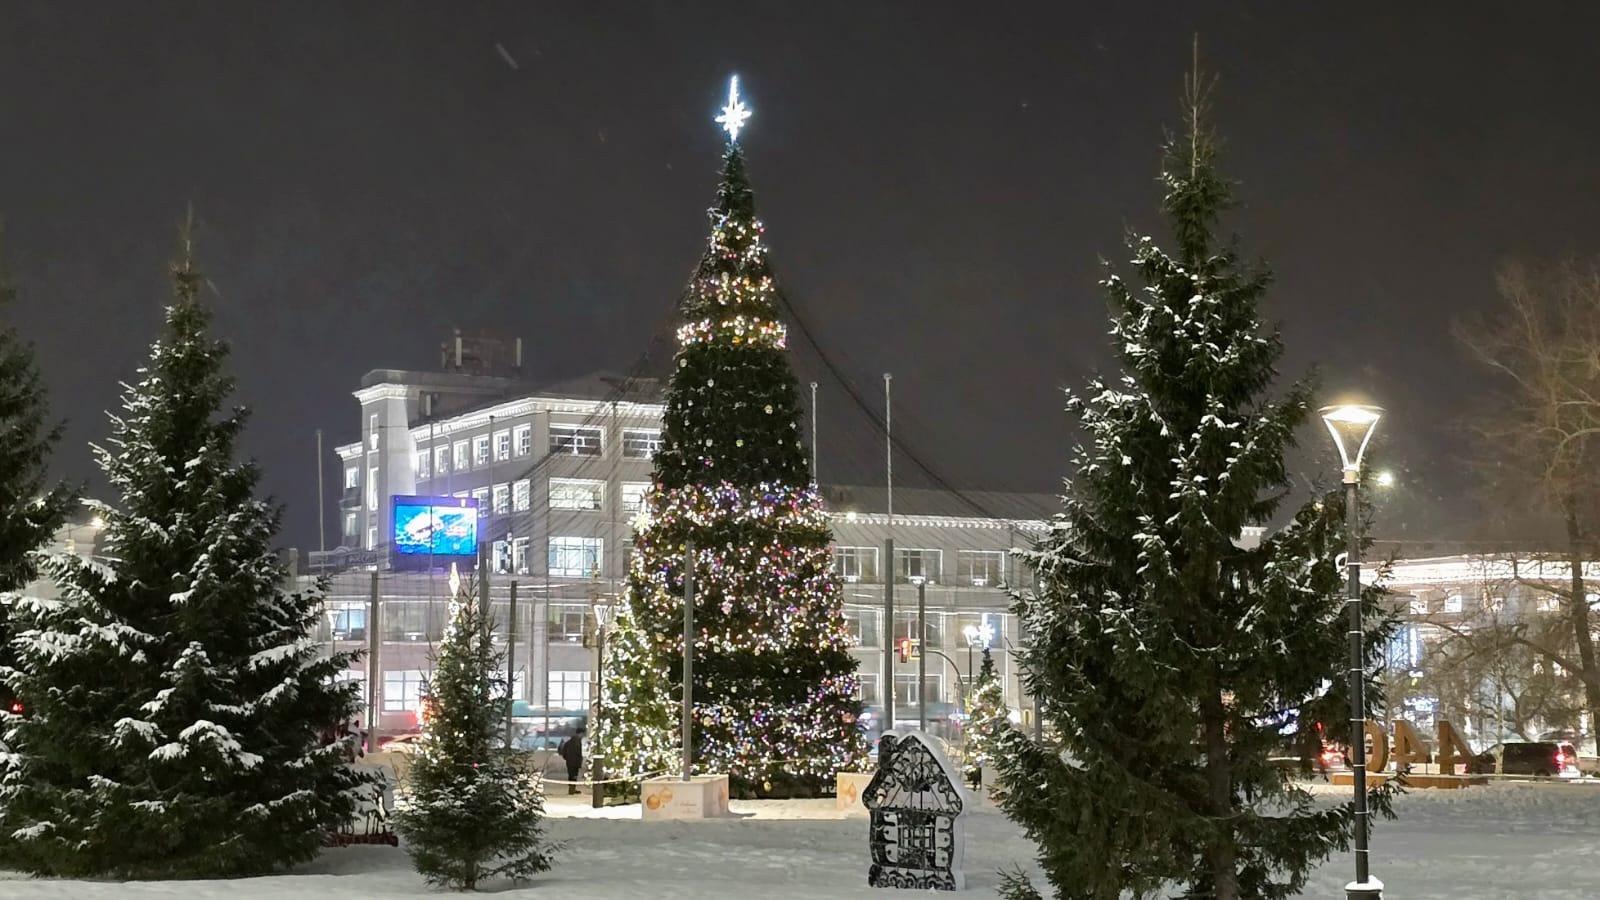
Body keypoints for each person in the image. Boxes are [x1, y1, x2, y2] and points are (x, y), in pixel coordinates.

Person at [558, 726, 585, 796]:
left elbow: (564, 750)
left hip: (570, 761)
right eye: (582, 734)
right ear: (580, 733)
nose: (583, 736)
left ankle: (572, 789)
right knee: (574, 775)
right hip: (574, 762)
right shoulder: (577, 741)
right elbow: (578, 753)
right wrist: (579, 761)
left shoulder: (570, 741)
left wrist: (566, 758)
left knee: (571, 775)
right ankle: (572, 790)